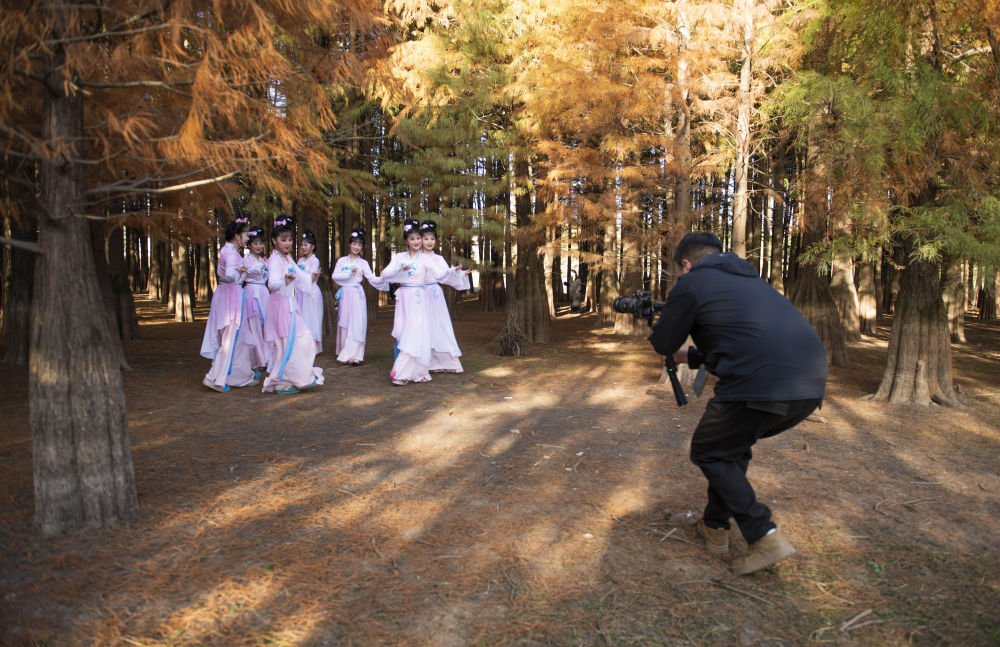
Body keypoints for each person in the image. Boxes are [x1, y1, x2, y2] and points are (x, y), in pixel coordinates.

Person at [648, 231, 828, 575]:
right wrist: (692, 357)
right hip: (807, 384)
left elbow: (663, 342)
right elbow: (744, 339)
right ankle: (715, 527)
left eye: (681, 271)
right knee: (730, 449)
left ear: (687, 264)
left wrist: (666, 325)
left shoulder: (693, 283)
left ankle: (765, 536)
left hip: (759, 384)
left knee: (709, 451)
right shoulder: (750, 282)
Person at [262, 215, 324, 394]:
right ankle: (282, 380)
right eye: (283, 239)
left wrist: (311, 278)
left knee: (302, 340)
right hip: (279, 304)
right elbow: (272, 284)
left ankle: (292, 376)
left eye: (290, 239)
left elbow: (301, 276)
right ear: (274, 240)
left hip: (289, 303)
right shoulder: (274, 260)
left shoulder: (287, 259)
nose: (287, 243)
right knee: (286, 343)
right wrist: (285, 280)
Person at [200, 217, 257, 392]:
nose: (247, 239)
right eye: (246, 235)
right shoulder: (231, 253)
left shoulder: (226, 251)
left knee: (237, 340)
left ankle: (238, 376)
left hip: (227, 295)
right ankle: (214, 377)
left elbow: (224, 273)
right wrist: (240, 270)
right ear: (236, 236)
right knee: (230, 339)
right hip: (231, 297)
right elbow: (231, 275)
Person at [377, 218, 433, 385]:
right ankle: (405, 367)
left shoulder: (425, 258)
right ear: (406, 241)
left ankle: (406, 372)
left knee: (416, 332)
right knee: (403, 330)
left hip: (418, 298)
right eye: (412, 239)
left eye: (418, 238)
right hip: (403, 299)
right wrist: (399, 270)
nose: (416, 242)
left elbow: (441, 273)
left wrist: (455, 274)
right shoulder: (400, 257)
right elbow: (386, 274)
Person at [419, 219, 472, 373]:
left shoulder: (438, 259)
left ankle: (445, 362)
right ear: (420, 240)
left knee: (440, 325)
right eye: (426, 238)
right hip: (420, 295)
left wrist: (459, 273)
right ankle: (425, 363)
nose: (429, 242)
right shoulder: (417, 258)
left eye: (432, 238)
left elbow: (444, 275)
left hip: (435, 295)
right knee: (423, 327)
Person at [331, 228, 384, 365]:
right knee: (345, 321)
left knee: (357, 322)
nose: (356, 247)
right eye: (354, 244)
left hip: (357, 294)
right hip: (345, 293)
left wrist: (386, 279)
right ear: (349, 244)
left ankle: (356, 355)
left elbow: (372, 278)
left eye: (359, 245)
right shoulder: (342, 261)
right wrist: (349, 274)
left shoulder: (363, 263)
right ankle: (345, 351)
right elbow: (335, 276)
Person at [241, 226, 271, 372]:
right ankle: (258, 358)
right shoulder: (246, 260)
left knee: (265, 325)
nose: (259, 246)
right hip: (252, 292)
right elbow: (248, 272)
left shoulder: (262, 260)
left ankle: (267, 356)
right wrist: (262, 265)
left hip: (263, 292)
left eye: (261, 243)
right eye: (255, 243)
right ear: (250, 244)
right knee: (254, 325)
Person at [296, 229, 324, 353]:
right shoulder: (300, 261)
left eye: (306, 244)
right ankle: (302, 344)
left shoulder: (315, 260)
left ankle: (313, 346)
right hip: (301, 292)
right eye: (302, 244)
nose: (303, 247)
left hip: (311, 292)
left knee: (311, 317)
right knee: (302, 317)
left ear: (312, 246)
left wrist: (303, 277)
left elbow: (312, 279)